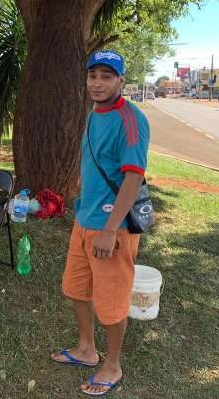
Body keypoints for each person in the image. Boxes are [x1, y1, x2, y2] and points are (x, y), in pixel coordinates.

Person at [51, 50, 150, 397]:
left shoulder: (131, 119)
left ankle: (112, 365)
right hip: (84, 220)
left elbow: (133, 179)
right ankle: (86, 349)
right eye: (93, 75)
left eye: (106, 76)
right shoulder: (94, 114)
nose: (97, 82)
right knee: (76, 290)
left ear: (121, 81)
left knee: (111, 304)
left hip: (112, 229)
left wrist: (110, 229)